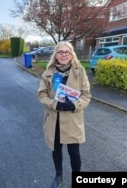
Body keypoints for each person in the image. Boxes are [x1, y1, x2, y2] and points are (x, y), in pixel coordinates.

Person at [37, 41, 91, 188]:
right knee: (57, 150)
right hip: (54, 119)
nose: (64, 55)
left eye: (67, 52)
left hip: (72, 118)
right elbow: (41, 95)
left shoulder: (80, 72)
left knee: (74, 152)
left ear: (71, 54)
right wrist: (55, 104)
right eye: (60, 52)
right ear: (56, 55)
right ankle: (58, 175)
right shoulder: (48, 73)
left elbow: (86, 95)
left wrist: (75, 105)